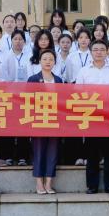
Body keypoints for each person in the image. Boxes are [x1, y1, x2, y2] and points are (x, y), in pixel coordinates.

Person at [76, 40, 109, 194]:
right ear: (91, 52)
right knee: (92, 153)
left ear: (107, 52)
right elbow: (77, 93)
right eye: (95, 49)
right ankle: (92, 186)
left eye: (102, 49)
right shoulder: (84, 71)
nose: (99, 52)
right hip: (91, 116)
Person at [29, 49, 63, 194]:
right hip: (38, 120)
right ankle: (39, 183)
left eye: (51, 59)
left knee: (53, 151)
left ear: (55, 62)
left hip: (54, 120)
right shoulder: (33, 79)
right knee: (38, 151)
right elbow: (28, 100)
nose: (48, 61)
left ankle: (49, 183)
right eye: (45, 59)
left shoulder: (59, 80)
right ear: (39, 61)